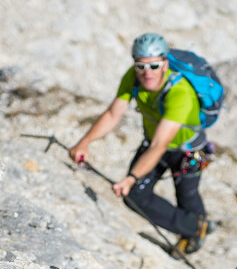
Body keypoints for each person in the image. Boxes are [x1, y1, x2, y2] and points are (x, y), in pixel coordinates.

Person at [69, 32, 213, 256]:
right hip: (156, 144)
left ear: (165, 63)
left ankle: (194, 230)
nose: (147, 73)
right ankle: (196, 227)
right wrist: (84, 143)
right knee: (135, 195)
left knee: (187, 195)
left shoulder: (180, 92)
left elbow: (159, 144)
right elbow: (113, 114)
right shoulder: (133, 78)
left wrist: (131, 177)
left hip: (187, 151)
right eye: (141, 66)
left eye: (154, 66)